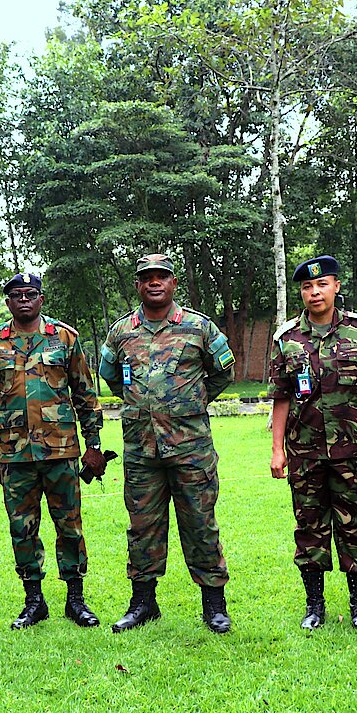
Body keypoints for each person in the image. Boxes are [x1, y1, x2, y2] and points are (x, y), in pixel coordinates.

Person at [99, 253, 236, 634]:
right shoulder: (121, 332)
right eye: (147, 278)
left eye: (161, 276)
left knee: (200, 525)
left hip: (191, 448)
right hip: (141, 449)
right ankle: (143, 603)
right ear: (138, 285)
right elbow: (110, 375)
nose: (154, 283)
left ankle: (214, 606)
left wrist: (189, 402)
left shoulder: (198, 327)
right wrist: (143, 404)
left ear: (174, 282)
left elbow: (223, 373)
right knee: (142, 528)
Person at [0, 272, 108, 630]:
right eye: (17, 295)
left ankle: (75, 599)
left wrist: (94, 445)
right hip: (15, 453)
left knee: (69, 525)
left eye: (30, 294)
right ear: (8, 302)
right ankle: (34, 601)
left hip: (60, 450)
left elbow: (85, 394)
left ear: (41, 299)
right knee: (22, 528)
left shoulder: (64, 338)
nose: (24, 300)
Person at [268, 255, 357, 631]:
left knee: (356, 527)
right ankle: (314, 606)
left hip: (351, 451)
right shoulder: (287, 339)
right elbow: (280, 397)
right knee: (309, 528)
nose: (315, 292)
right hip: (304, 451)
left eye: (322, 284)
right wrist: (276, 450)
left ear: (336, 286)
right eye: (307, 287)